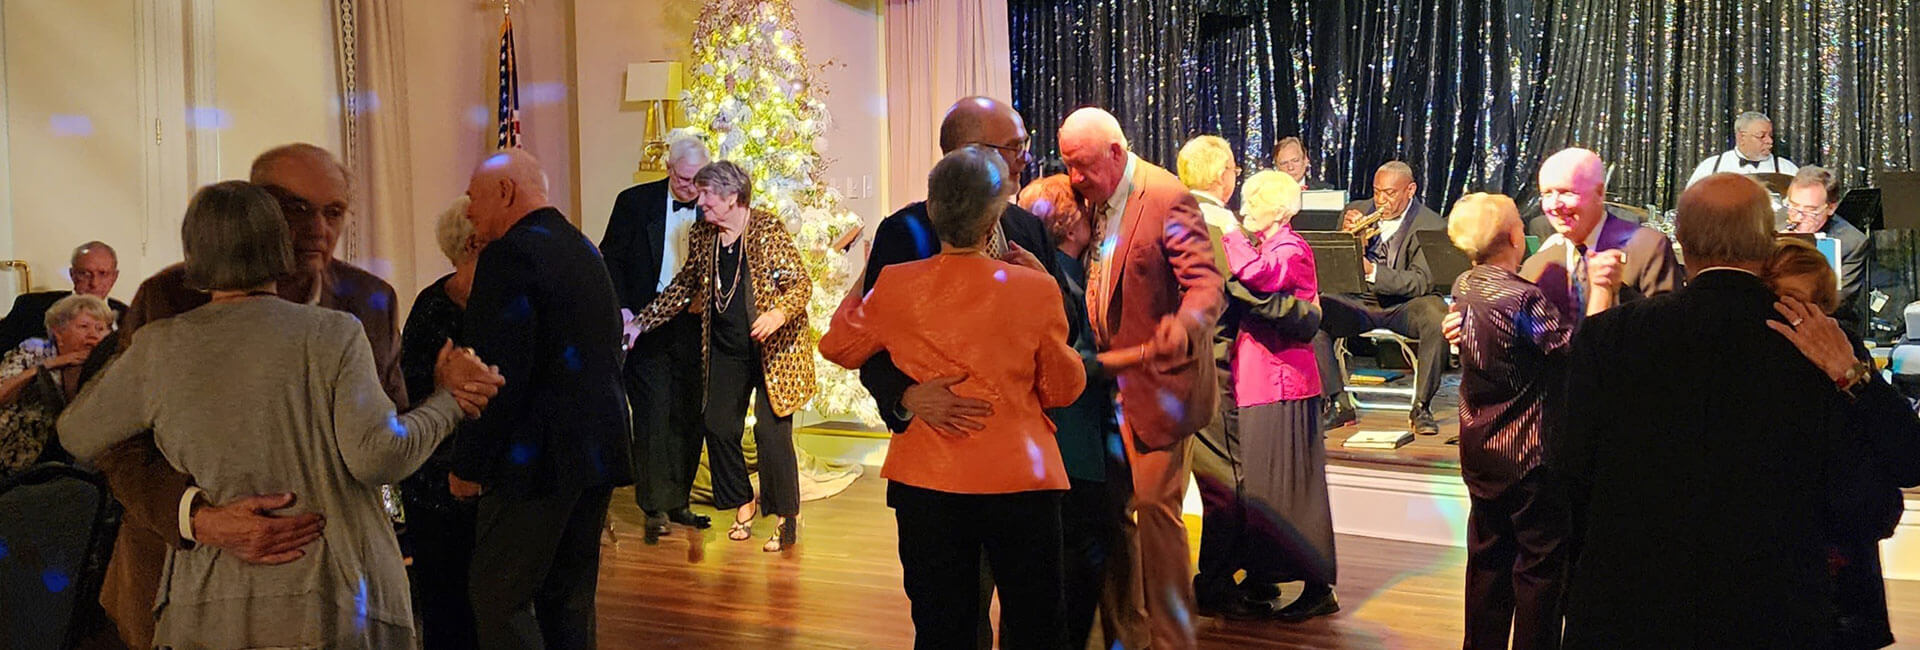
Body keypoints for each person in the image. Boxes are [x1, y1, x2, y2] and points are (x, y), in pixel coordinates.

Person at [57, 180, 501, 649]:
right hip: (332, 593)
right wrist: (449, 400)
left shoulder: (158, 347)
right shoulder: (333, 334)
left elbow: (77, 433)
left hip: (211, 600)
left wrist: (194, 511)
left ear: (194, 254)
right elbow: (379, 456)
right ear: (279, 246)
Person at [85, 143, 410, 650]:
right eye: (296, 208)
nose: (318, 229)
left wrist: (393, 516)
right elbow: (116, 441)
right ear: (256, 209)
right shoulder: (171, 298)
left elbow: (389, 425)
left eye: (333, 211)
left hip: (329, 590)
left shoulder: (368, 300)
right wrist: (197, 517)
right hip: (192, 579)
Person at [1551, 173, 1851, 647]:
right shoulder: (1816, 341)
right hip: (1772, 605)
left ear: (1682, 242)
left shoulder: (1609, 336)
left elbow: (1568, 469)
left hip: (1629, 601)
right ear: (1768, 242)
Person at [821, 145, 1085, 650]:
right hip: (1022, 479)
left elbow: (839, 345)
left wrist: (865, 279)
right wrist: (1046, 284)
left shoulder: (897, 285)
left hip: (929, 481)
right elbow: (1062, 388)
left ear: (933, 209)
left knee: (942, 629)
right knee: (1038, 628)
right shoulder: (1033, 289)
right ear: (993, 221)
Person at [451, 149, 634, 650]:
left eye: (473, 198)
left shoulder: (508, 256)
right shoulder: (580, 246)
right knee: (568, 600)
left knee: (498, 598)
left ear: (505, 191)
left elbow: (496, 375)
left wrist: (468, 465)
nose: (469, 212)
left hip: (534, 461)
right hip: (594, 451)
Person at [1058, 106, 1223, 650]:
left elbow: (1205, 284)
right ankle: (1127, 636)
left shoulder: (1167, 196)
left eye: (1082, 165)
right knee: (1109, 517)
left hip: (1158, 385)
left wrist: (1185, 325)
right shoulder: (1086, 196)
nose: (1074, 177)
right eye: (1066, 164)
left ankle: (1174, 640)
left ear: (1115, 153)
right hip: (1101, 387)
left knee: (1155, 511)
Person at [631, 160, 815, 554]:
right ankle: (742, 500)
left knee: (771, 433)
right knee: (717, 425)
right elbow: (684, 285)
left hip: (773, 349)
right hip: (727, 348)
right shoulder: (703, 235)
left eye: (708, 195)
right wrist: (641, 322)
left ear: (733, 196)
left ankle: (785, 519)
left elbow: (800, 284)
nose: (701, 203)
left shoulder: (766, 229)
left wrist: (777, 314)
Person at [860, 96, 1061, 438]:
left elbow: (1067, 334)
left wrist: (1047, 287)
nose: (1025, 159)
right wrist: (906, 396)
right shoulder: (903, 232)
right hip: (938, 443)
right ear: (971, 152)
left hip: (1020, 443)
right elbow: (868, 339)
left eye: (1024, 145)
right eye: (1014, 147)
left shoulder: (1029, 228)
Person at [1764, 239, 1920, 649]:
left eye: (1811, 305)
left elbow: (1910, 459)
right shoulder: (1748, 359)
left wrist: (1850, 373)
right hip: (1771, 583)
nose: (1799, 317)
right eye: (1781, 302)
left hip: (1844, 587)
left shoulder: (1843, 349)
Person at [1446, 193, 1584, 650]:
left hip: (1479, 447)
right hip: (1527, 453)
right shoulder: (1524, 297)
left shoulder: (1465, 283)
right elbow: (1569, 351)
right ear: (1513, 237)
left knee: (1487, 561)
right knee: (1538, 569)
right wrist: (1601, 294)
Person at [1208, 169, 1338, 622]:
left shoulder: (1290, 248)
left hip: (1283, 383)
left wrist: (1228, 232)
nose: (1243, 210)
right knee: (1267, 490)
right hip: (1261, 381)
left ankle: (1318, 586)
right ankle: (1266, 576)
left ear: (1279, 210)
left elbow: (1258, 276)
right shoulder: (1271, 246)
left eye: (1253, 202)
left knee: (1293, 491)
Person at [1017, 173, 1130, 648]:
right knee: (1076, 561)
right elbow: (1074, 363)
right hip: (1073, 439)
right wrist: (1137, 356)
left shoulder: (1062, 273)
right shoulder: (1061, 280)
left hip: (1065, 439)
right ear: (1068, 222)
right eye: (1085, 210)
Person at [601, 128, 714, 539]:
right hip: (646, 323)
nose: (691, 188)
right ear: (668, 169)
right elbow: (610, 258)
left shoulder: (713, 205)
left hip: (694, 325)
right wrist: (624, 310)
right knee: (652, 414)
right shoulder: (633, 203)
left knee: (689, 412)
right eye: (683, 179)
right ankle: (653, 506)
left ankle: (679, 500)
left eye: (698, 179)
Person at [397, 195, 485, 649]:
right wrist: (439, 380)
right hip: (435, 479)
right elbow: (404, 391)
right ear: (472, 243)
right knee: (445, 605)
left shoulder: (505, 304)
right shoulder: (431, 306)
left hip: (492, 476)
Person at [1314, 161, 1447, 435]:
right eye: (1376, 192)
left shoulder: (1431, 224)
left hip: (1404, 305)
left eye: (1390, 193)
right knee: (1313, 311)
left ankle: (1421, 406)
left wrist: (1372, 271)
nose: (1381, 200)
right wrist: (1349, 244)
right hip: (1359, 301)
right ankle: (1338, 404)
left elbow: (1420, 281)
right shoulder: (1356, 210)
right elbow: (1334, 271)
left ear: (1410, 190)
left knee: (1437, 316)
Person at [0, 293, 111, 477]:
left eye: (100, 329)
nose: (93, 334)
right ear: (58, 333)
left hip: (72, 463)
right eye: (83, 326)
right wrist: (48, 366)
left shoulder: (108, 363)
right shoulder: (34, 351)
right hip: (13, 453)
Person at [1776, 166, 1869, 335]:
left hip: (1826, 323)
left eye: (1810, 211)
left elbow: (1839, 302)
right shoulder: (1773, 225)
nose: (1798, 217)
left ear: (1831, 208)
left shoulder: (1852, 242)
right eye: (1793, 206)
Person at [0, 241, 126, 352]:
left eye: (103, 274)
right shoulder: (32, 307)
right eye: (85, 274)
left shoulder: (128, 317)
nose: (94, 283)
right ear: (72, 274)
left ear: (114, 277)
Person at [1687, 111, 1797, 186]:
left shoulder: (1787, 169)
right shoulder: (1710, 167)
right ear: (1741, 137)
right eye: (1761, 136)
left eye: (1770, 135)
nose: (1769, 141)